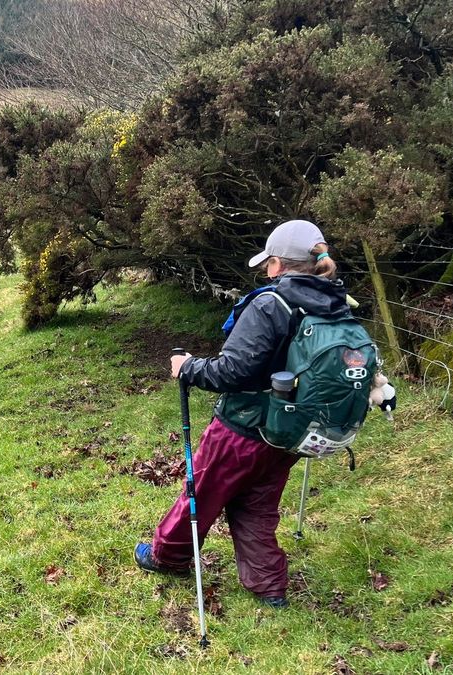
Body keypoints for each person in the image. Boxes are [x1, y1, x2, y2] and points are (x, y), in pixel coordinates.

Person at [133, 219, 347, 609]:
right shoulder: (334, 303)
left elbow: (233, 371)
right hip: (290, 430)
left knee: (203, 493)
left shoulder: (270, 304)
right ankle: (269, 586)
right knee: (258, 503)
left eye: (268, 263)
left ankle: (168, 557)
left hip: (243, 428)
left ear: (277, 264)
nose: (266, 270)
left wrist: (188, 367)